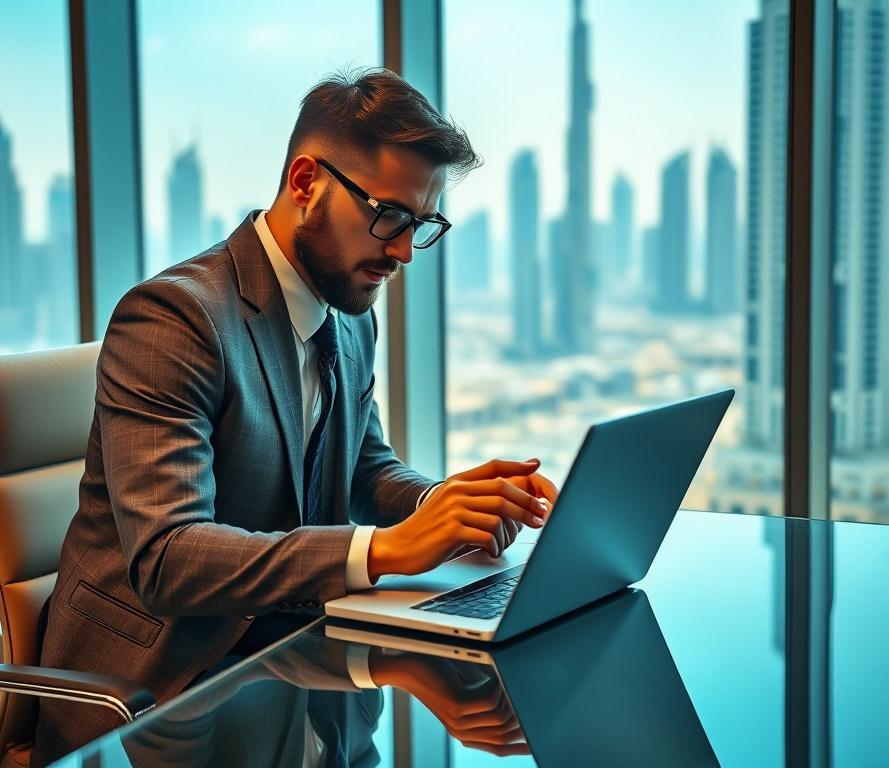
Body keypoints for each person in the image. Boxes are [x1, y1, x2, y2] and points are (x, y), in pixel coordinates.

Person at [32, 67, 557, 762]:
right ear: (307, 182)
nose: (402, 251)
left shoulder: (347, 312)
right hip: (159, 686)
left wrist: (445, 507)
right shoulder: (177, 317)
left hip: (290, 648)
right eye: (389, 215)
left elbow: (363, 466)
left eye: (421, 224)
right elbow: (168, 560)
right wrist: (388, 548)